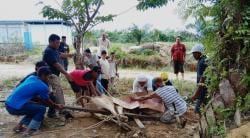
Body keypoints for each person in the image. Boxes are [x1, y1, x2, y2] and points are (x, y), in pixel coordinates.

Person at [5, 67, 63, 137]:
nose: (48, 79)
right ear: (43, 75)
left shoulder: (31, 78)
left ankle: (18, 127)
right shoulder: (43, 86)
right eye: (48, 76)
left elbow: (35, 96)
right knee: (41, 109)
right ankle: (28, 132)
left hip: (8, 103)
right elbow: (48, 101)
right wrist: (56, 106)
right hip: (14, 107)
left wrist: (44, 102)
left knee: (34, 108)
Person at [42, 34, 72, 106]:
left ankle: (55, 108)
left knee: (54, 92)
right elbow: (57, 65)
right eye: (56, 43)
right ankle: (61, 108)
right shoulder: (48, 51)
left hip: (54, 75)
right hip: (50, 75)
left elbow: (61, 54)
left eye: (59, 42)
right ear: (50, 42)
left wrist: (71, 55)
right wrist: (66, 73)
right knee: (57, 91)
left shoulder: (54, 50)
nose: (58, 44)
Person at [190, 44, 208, 114]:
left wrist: (195, 94)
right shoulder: (204, 59)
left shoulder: (201, 62)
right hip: (205, 89)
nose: (193, 56)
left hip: (202, 90)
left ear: (199, 53)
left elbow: (202, 79)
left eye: (194, 54)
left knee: (197, 111)